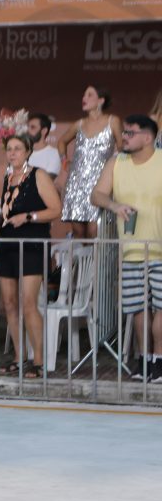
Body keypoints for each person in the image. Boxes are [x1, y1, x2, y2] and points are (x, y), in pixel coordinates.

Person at [90, 116, 162, 380]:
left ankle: (159, 359)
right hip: (131, 248)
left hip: (160, 248)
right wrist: (114, 206)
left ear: (148, 137)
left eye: (131, 133)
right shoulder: (116, 162)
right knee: (139, 309)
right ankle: (143, 359)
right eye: (125, 133)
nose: (125, 137)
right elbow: (96, 194)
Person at [0, 134, 62, 378]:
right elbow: (12, 211)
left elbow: (55, 209)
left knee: (29, 302)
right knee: (9, 303)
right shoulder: (7, 177)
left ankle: (38, 361)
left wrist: (28, 217)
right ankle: (19, 357)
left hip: (31, 244)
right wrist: (1, 219)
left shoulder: (38, 175)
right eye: (9, 149)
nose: (12, 153)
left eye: (18, 149)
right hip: (7, 243)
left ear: (28, 151)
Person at [57, 85, 122, 239]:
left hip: (100, 184)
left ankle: (95, 264)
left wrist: (114, 165)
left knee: (95, 232)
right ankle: (79, 264)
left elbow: (121, 147)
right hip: (76, 183)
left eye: (89, 95)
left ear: (101, 100)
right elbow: (61, 142)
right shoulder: (79, 124)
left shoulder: (113, 121)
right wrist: (64, 161)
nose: (84, 98)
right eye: (84, 95)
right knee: (79, 232)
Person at [27, 113, 62, 178]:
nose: (28, 131)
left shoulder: (54, 154)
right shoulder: (22, 153)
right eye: (27, 127)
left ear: (44, 131)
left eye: (32, 127)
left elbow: (47, 182)